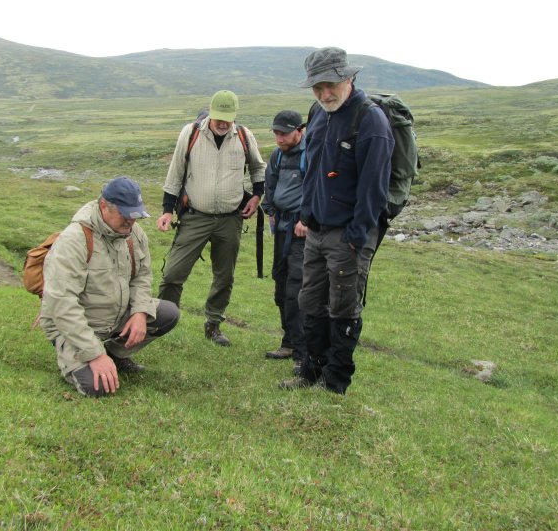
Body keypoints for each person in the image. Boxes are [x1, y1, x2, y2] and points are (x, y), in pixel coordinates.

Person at [279, 47, 394, 394]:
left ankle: (335, 383)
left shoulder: (370, 119)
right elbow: (312, 169)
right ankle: (309, 372)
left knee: (343, 307)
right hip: (315, 230)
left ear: (348, 78)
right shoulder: (318, 112)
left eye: (330, 85)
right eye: (317, 87)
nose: (324, 93)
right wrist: (305, 216)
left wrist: (356, 237)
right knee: (309, 302)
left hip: (348, 234)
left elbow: (374, 188)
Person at [39, 176, 180, 397]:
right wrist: (94, 354)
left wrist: (141, 312)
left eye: (135, 216)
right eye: (125, 216)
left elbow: (141, 277)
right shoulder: (74, 240)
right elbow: (61, 303)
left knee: (167, 313)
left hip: (114, 316)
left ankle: (114, 355)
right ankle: (83, 353)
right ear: (104, 206)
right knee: (99, 388)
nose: (131, 223)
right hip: (78, 325)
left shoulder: (134, 233)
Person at [156, 90, 266, 347]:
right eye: (219, 117)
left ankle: (213, 324)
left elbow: (258, 167)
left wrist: (257, 196)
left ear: (235, 115)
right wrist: (167, 210)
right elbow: (175, 172)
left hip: (230, 219)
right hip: (195, 217)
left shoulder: (243, 136)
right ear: (211, 112)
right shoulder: (191, 133)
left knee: (224, 276)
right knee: (173, 273)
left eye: (228, 118)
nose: (223, 123)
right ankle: (162, 320)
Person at [261, 110, 307, 373]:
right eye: (276, 133)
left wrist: (307, 219)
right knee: (280, 286)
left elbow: (316, 188)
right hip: (281, 227)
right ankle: (289, 342)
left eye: (284, 133)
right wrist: (269, 210)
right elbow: (270, 184)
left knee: (296, 290)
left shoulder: (310, 154)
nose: (279, 138)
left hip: (301, 229)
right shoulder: (277, 156)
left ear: (298, 131)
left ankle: (303, 352)